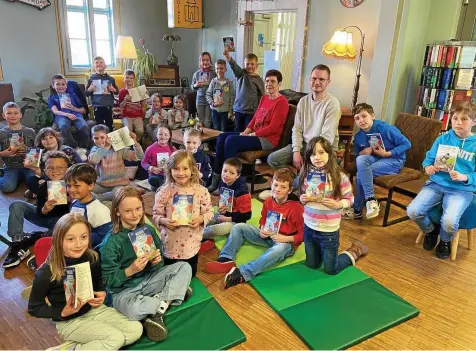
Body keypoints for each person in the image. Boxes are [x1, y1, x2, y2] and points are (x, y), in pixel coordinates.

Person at [28, 213, 143, 350]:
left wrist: (101, 292)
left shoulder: (91, 257)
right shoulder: (45, 274)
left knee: (136, 329)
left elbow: (98, 279)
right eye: (70, 239)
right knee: (114, 338)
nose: (78, 244)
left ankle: (82, 345)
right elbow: (34, 308)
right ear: (59, 241)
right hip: (69, 322)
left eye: (84, 237)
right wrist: (62, 312)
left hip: (94, 310)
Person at [101, 187, 193, 342]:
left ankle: (158, 309)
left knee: (184, 267)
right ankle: (170, 296)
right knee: (132, 309)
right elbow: (107, 281)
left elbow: (160, 263)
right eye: (128, 211)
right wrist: (129, 271)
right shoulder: (110, 242)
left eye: (138, 209)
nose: (135, 214)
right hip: (124, 291)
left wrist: (157, 262)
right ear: (117, 212)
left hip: (149, 280)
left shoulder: (147, 229)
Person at [205, 168, 303, 288]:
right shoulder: (268, 201)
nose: (277, 189)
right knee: (238, 227)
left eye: (283, 187)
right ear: (271, 184)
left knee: (279, 249)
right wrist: (262, 229)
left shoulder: (297, 208)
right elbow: (263, 219)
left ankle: (243, 273)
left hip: (286, 243)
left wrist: (285, 238)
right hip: (268, 236)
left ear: (290, 190)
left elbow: (304, 235)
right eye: (276, 185)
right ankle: (226, 258)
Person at [407, 102, 476, 259]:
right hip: (436, 184)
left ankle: (445, 241)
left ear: (474, 121)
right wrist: (428, 167)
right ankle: (431, 231)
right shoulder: (443, 139)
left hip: (461, 189)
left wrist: (465, 177)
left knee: (450, 221)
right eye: (455, 118)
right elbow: (428, 159)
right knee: (413, 211)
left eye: (464, 119)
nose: (458, 122)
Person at [208, 70, 289, 192]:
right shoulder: (264, 98)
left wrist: (252, 134)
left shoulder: (282, 102)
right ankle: (216, 179)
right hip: (255, 135)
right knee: (222, 136)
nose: (269, 84)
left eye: (273, 81)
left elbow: (274, 127)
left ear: (279, 84)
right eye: (267, 81)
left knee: (231, 141)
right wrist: (246, 132)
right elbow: (255, 118)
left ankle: (229, 184)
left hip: (268, 140)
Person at [299, 136, 368, 275]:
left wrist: (337, 204)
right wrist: (302, 199)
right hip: (309, 227)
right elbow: (303, 198)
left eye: (321, 152)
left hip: (328, 231)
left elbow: (350, 199)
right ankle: (320, 255)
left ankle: (355, 250)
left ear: (329, 154)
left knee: (331, 269)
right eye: (312, 154)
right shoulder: (306, 174)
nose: (317, 157)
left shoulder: (339, 176)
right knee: (312, 265)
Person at [266, 64, 341, 172]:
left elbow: (326, 138)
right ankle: (297, 177)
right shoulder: (303, 101)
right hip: (304, 145)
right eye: (314, 78)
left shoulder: (332, 104)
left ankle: (302, 177)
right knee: (273, 159)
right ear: (310, 80)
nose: (317, 82)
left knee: (308, 176)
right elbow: (297, 129)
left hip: (323, 149)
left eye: (321, 79)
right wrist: (296, 152)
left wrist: (312, 157)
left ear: (328, 82)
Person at [3, 150, 71, 269]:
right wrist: (45, 209)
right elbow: (40, 211)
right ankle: (17, 243)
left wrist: (71, 198)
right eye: (50, 168)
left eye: (60, 167)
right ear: (45, 170)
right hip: (46, 218)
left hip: (63, 223)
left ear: (68, 169)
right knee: (17, 204)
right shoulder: (43, 185)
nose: (55, 170)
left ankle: (40, 236)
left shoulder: (72, 186)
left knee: (60, 232)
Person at [152, 150, 214, 277]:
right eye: (176, 169)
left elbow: (209, 212)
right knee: (169, 275)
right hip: (170, 244)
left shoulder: (201, 191)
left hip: (191, 245)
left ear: (192, 169)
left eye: (185, 168)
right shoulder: (164, 192)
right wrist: (164, 221)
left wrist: (201, 219)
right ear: (170, 170)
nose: (180, 173)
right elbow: (155, 215)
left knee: (190, 275)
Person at [345, 103, 411, 220]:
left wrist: (388, 154)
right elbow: (358, 154)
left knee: (362, 173)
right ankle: (370, 202)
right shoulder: (359, 136)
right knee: (361, 160)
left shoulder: (385, 128)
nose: (361, 120)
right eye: (357, 118)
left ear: (372, 116)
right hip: (375, 158)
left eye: (364, 116)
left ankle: (359, 208)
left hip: (394, 159)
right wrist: (363, 152)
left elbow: (407, 143)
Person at [201, 158, 251, 254]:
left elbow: (246, 215)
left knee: (215, 229)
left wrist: (228, 219)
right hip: (224, 215)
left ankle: (194, 236)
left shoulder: (242, 192)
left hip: (236, 222)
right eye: (224, 171)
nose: (226, 175)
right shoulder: (222, 183)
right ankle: (203, 238)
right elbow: (223, 200)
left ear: (238, 175)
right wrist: (220, 207)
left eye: (232, 173)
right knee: (205, 218)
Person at [88, 124, 144, 202]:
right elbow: (94, 160)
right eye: (96, 138)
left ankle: (99, 198)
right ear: (92, 139)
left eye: (102, 137)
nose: (99, 140)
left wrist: (134, 142)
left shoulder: (119, 149)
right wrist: (106, 147)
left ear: (108, 137)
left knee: (118, 193)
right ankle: (102, 197)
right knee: (86, 189)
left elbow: (139, 157)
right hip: (102, 183)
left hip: (119, 183)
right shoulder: (95, 149)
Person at [65, 163, 112, 248]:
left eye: (76, 186)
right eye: (69, 185)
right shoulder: (74, 202)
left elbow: (105, 237)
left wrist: (80, 238)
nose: (71, 189)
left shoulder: (99, 210)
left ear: (90, 186)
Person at [48, 74, 90, 157]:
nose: (61, 86)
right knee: (63, 126)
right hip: (62, 115)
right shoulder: (52, 97)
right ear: (53, 86)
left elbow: (83, 110)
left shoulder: (73, 95)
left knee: (83, 126)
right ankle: (73, 147)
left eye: (63, 84)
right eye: (57, 84)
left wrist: (74, 108)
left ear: (66, 85)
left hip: (76, 114)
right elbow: (55, 111)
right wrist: (67, 114)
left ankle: (83, 148)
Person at [223, 49, 265, 133]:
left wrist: (260, 111)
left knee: (248, 131)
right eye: (247, 64)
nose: (249, 66)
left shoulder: (259, 80)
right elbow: (234, 66)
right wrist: (228, 57)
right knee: (237, 130)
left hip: (251, 112)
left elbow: (262, 96)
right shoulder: (241, 74)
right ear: (244, 65)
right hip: (239, 110)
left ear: (257, 66)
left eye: (252, 64)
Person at [0, 102, 36, 193]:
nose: (13, 115)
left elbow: (37, 149)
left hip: (28, 166)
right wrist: (2, 153)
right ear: (4, 115)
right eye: (9, 113)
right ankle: (6, 175)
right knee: (7, 188)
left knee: (35, 183)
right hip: (10, 166)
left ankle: (18, 178)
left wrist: (28, 152)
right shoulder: (1, 133)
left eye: (15, 113)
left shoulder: (30, 132)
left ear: (20, 115)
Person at [85, 56, 118, 131]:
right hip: (97, 107)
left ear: (105, 65)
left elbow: (117, 92)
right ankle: (101, 141)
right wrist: (90, 89)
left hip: (108, 106)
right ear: (94, 66)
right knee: (99, 127)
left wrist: (113, 89)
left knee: (109, 125)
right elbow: (86, 94)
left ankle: (110, 141)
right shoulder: (91, 78)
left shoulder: (111, 79)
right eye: (97, 62)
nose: (99, 64)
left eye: (101, 62)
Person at [141, 124, 176, 190]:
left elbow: (176, 162)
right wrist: (151, 168)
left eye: (166, 134)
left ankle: (166, 185)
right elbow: (144, 163)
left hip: (169, 174)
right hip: (156, 175)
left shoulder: (172, 149)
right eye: (160, 134)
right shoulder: (150, 148)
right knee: (152, 179)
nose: (163, 137)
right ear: (156, 135)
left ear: (169, 136)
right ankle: (166, 186)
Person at [206, 59, 235, 132]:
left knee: (224, 130)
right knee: (216, 129)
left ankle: (223, 143)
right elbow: (208, 94)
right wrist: (212, 103)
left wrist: (230, 111)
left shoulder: (229, 83)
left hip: (225, 112)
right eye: (217, 68)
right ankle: (216, 143)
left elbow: (232, 97)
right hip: (215, 111)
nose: (219, 70)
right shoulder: (213, 82)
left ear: (225, 69)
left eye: (221, 68)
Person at [119, 69, 146, 143]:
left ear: (134, 79)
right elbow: (121, 107)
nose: (129, 79)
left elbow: (143, 105)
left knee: (140, 131)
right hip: (127, 116)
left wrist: (144, 97)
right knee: (128, 130)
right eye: (127, 77)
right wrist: (125, 100)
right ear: (123, 79)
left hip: (137, 116)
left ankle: (136, 143)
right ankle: (129, 145)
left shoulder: (139, 90)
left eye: (131, 78)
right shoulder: (122, 92)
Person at [191, 52, 217, 129]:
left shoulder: (214, 73)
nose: (205, 62)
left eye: (207, 60)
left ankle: (207, 139)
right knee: (200, 120)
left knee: (208, 121)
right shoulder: (196, 74)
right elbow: (192, 87)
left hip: (210, 100)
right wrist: (196, 85)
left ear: (210, 61)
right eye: (203, 60)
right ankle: (201, 138)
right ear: (200, 62)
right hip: (200, 99)